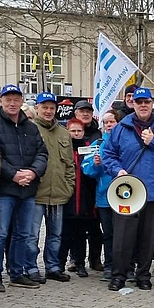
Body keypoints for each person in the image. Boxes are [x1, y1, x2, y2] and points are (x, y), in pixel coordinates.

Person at [103, 87, 154, 291]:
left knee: (148, 236)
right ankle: (119, 275)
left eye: (146, 101)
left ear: (152, 103)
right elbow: (108, 155)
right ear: (133, 104)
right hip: (127, 191)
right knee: (123, 235)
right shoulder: (121, 128)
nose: (143, 105)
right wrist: (117, 170)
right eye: (139, 102)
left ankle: (143, 274)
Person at [0, 84, 48, 292]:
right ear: (1, 101)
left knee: (23, 233)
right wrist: (13, 175)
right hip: (4, 189)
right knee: (0, 233)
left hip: (28, 189)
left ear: (22, 101)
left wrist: (33, 172)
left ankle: (16, 273)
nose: (12, 103)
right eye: (8, 99)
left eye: (16, 99)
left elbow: (42, 154)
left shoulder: (31, 127)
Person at [25, 92, 75, 284]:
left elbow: (69, 164)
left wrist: (69, 187)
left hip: (59, 193)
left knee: (55, 235)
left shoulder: (63, 133)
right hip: (36, 193)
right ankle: (30, 267)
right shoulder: (29, 129)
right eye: (44, 107)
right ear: (37, 108)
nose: (48, 111)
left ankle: (53, 267)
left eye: (51, 108)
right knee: (32, 235)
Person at [82, 109, 121, 282]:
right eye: (106, 122)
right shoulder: (97, 143)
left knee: (125, 233)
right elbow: (88, 170)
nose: (109, 125)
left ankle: (127, 266)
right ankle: (110, 266)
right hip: (105, 197)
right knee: (108, 234)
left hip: (125, 196)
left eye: (112, 121)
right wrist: (96, 165)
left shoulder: (127, 142)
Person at [60, 118, 98, 278]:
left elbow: (93, 173)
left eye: (79, 131)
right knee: (65, 234)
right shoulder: (64, 148)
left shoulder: (89, 148)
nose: (76, 134)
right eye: (73, 131)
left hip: (85, 197)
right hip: (67, 197)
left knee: (82, 234)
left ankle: (81, 263)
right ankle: (59, 264)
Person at [73, 99, 104, 272]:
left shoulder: (97, 134)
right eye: (81, 111)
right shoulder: (70, 132)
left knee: (95, 227)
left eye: (88, 111)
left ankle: (95, 259)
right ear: (75, 114)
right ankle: (76, 260)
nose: (85, 114)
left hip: (95, 185)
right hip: (77, 186)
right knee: (77, 227)